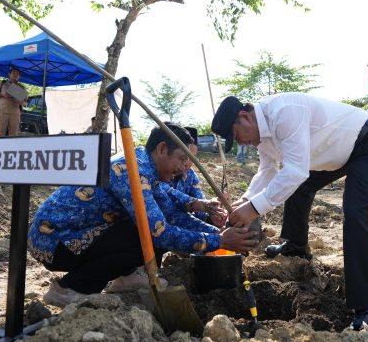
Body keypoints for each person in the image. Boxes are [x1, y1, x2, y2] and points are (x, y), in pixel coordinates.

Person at [28, 122, 257, 307]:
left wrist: (217, 232)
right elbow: (160, 232)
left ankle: (126, 276)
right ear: (161, 149)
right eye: (182, 159)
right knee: (145, 237)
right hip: (54, 241)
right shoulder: (131, 170)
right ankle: (70, 288)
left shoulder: (148, 169)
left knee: (148, 229)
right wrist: (221, 240)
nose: (185, 167)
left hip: (75, 236)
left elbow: (173, 216)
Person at [211, 93, 368, 331]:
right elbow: (268, 171)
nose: (240, 143)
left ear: (245, 116)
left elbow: (295, 170)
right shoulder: (260, 136)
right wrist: (245, 200)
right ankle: (296, 245)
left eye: (236, 136)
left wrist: (253, 209)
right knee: (295, 187)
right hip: (325, 155)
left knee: (356, 213)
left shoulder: (285, 112)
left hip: (364, 143)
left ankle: (364, 305)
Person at [0, 67, 27, 137]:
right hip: (2, 111)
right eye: (13, 73)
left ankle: (12, 147)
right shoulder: (3, 83)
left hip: (15, 113)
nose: (15, 75)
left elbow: (25, 102)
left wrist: (20, 101)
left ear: (19, 76)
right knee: (0, 132)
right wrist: (1, 94)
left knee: (14, 134)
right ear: (9, 74)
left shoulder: (22, 87)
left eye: (17, 74)